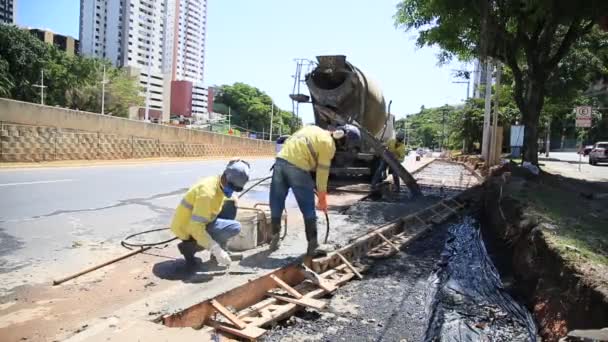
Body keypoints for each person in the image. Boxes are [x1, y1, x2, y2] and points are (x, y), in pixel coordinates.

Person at [268, 124, 361, 256]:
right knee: (308, 207)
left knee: (276, 203)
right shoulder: (329, 145)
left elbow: (295, 145)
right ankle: (313, 245)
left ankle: (275, 238)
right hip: (298, 167)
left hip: (279, 162)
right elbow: (322, 174)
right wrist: (322, 199)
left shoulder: (312, 129)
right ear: (344, 141)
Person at [170, 160, 251, 266]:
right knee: (235, 227)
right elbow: (196, 228)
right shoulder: (207, 194)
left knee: (231, 204)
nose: (232, 191)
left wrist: (232, 199)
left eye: (236, 189)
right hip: (187, 228)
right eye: (232, 187)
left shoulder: (216, 181)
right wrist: (216, 249)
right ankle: (189, 247)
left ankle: (220, 251)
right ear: (226, 178)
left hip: (191, 222)